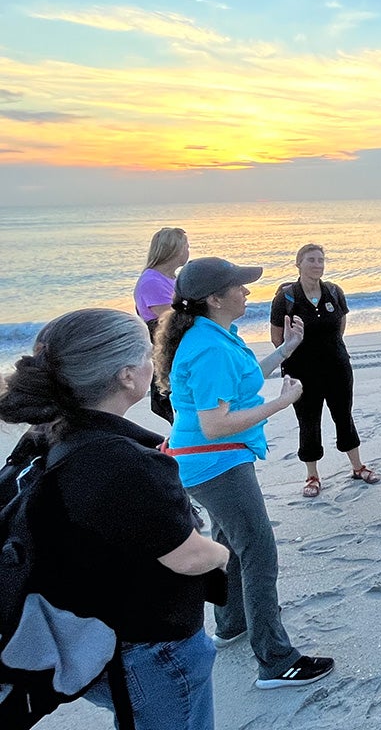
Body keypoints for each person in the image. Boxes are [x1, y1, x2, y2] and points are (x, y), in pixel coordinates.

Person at [0, 308, 230, 729]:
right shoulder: (119, 462)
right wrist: (222, 554)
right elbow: (188, 557)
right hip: (148, 650)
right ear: (126, 375)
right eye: (146, 356)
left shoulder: (50, 435)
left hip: (99, 638)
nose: (151, 365)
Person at [155, 257, 334, 689]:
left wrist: (286, 349)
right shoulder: (210, 346)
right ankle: (275, 661)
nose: (247, 292)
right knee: (258, 551)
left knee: (231, 540)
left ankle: (231, 622)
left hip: (207, 459)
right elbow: (215, 423)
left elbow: (243, 380)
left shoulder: (213, 335)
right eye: (238, 287)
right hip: (216, 460)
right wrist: (282, 402)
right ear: (214, 299)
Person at [270, 244, 377, 498]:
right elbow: (277, 340)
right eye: (311, 260)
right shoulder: (285, 298)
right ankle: (312, 476)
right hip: (301, 373)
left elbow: (339, 328)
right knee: (308, 422)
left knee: (344, 416)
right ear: (298, 264)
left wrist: (327, 351)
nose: (317, 264)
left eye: (320, 260)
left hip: (337, 368)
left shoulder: (333, 291)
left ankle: (357, 466)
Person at [134, 226, 190, 423]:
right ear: (173, 250)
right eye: (186, 246)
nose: (188, 250)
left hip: (177, 344)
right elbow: (170, 318)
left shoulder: (172, 278)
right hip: (167, 347)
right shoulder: (152, 281)